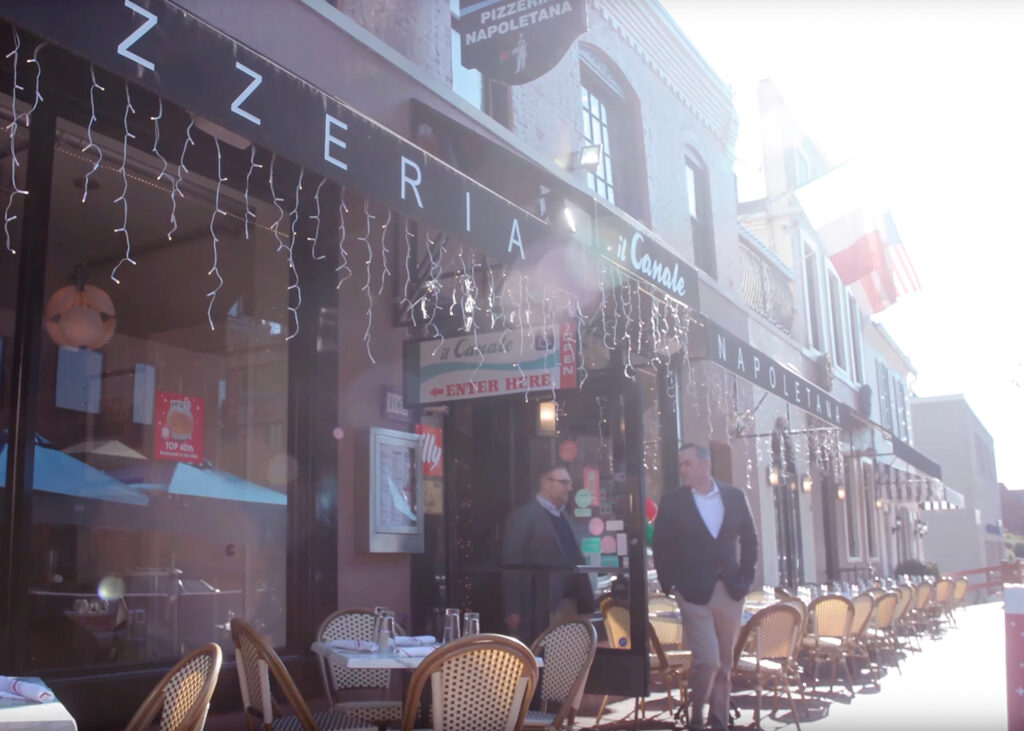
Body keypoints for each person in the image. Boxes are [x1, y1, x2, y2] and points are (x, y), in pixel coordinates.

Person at [652, 443, 758, 730]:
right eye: (680, 464)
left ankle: (719, 722)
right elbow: (661, 546)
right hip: (692, 592)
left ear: (705, 464)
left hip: (730, 590)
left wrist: (746, 577)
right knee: (707, 660)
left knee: (724, 664)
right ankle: (696, 718)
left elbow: (749, 539)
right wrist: (670, 584)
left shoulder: (735, 497)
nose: (682, 469)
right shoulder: (673, 501)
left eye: (687, 463)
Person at [501, 461, 595, 644]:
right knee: (547, 662)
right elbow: (511, 565)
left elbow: (576, 558)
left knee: (571, 664)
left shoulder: (566, 518)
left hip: (573, 605)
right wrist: (511, 609)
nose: (569, 488)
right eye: (564, 483)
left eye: (570, 483)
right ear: (546, 483)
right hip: (541, 608)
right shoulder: (523, 517)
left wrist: (587, 601)